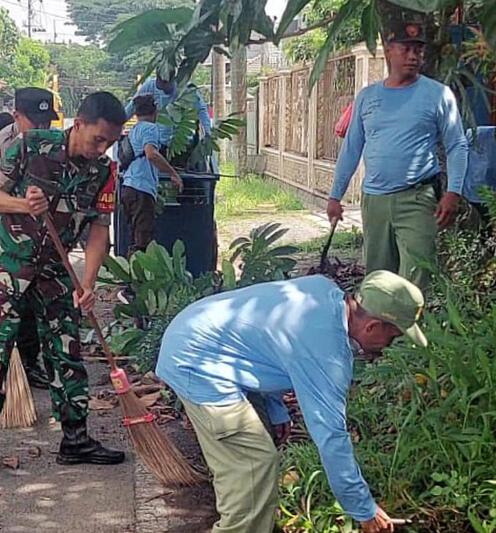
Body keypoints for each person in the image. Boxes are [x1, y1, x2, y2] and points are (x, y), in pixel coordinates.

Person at [157, 270, 427, 533]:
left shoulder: (322, 291)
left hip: (203, 336)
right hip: (197, 361)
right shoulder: (326, 353)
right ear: (372, 326)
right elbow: (331, 437)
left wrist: (276, 409)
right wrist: (363, 509)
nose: (389, 346)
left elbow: (270, 341)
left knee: (253, 458)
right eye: (393, 337)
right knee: (254, 464)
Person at [0, 92, 127, 481]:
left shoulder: (103, 172)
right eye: (97, 139)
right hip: (9, 265)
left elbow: (100, 229)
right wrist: (24, 205)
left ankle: (75, 438)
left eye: (110, 143)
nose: (102, 149)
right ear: (77, 124)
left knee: (67, 349)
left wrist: (88, 282)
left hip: (54, 270)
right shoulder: (31, 146)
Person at [327, 21, 468, 290]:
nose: (414, 56)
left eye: (419, 50)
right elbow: (351, 148)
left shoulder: (438, 95)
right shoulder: (368, 97)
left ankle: (410, 332)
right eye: (407, 49)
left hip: (417, 198)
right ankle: (381, 332)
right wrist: (335, 196)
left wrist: (454, 192)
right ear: (389, 50)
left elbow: (457, 145)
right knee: (377, 281)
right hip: (375, 202)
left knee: (415, 279)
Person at [0, 90, 60, 389]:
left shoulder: (47, 143)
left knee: (29, 298)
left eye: (46, 120)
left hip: (29, 237)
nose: (42, 126)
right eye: (35, 120)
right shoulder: (2, 145)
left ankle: (29, 363)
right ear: (17, 117)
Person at [121, 94, 183, 255]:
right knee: (143, 240)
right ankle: (140, 277)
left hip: (128, 186)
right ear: (155, 111)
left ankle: (132, 273)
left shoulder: (134, 130)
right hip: (142, 188)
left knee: (135, 236)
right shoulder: (150, 128)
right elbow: (151, 154)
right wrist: (173, 173)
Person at [125, 68, 212, 150]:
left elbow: (202, 110)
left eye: (166, 84)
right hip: (159, 142)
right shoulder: (150, 86)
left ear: (173, 79)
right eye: (160, 85)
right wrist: (117, 124)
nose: (163, 88)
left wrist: (208, 134)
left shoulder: (186, 89)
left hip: (182, 142)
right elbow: (132, 106)